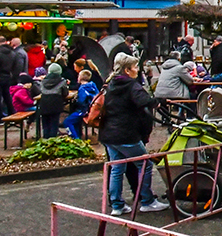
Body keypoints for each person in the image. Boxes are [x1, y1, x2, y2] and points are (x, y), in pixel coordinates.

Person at [100, 53, 170, 215]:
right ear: (127, 70)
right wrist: (158, 102)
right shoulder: (131, 85)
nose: (137, 70)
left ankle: (117, 205)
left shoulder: (111, 84)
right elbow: (144, 100)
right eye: (135, 67)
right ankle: (147, 200)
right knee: (145, 164)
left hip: (109, 133)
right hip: (126, 133)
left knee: (117, 167)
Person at [37, 63, 71, 138]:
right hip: (55, 103)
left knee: (45, 123)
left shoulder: (43, 81)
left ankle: (45, 140)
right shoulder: (62, 81)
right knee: (54, 123)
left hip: (44, 102)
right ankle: (53, 140)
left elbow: (41, 90)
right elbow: (65, 93)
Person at [64, 69, 100, 139]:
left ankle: (75, 138)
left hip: (83, 111)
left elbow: (81, 101)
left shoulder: (82, 89)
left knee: (67, 122)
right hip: (92, 110)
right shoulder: (93, 86)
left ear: (80, 77)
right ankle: (78, 135)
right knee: (76, 121)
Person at [0, 38, 18, 117]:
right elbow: (16, 66)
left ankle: (1, 116)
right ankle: (12, 113)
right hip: (7, 76)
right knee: (7, 96)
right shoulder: (12, 53)